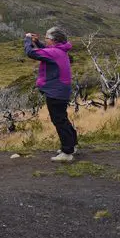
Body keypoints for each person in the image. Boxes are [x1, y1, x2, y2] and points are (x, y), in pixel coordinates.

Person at [24, 27, 78, 162]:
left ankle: (67, 152)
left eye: (47, 38)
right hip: (61, 90)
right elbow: (48, 52)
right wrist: (38, 43)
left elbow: (30, 53)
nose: (45, 40)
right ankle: (72, 145)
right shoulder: (60, 50)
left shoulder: (54, 52)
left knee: (59, 120)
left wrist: (28, 39)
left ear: (53, 40)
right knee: (63, 119)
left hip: (55, 91)